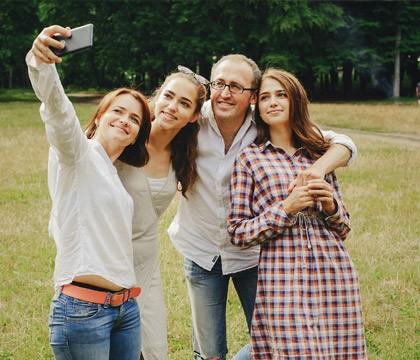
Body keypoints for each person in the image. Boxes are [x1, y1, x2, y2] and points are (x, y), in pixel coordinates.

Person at [168, 54, 358, 360]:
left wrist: (317, 171)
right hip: (201, 248)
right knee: (208, 351)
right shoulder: (193, 118)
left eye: (235, 86)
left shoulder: (264, 127)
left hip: (253, 256)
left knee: (274, 340)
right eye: (218, 83)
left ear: (251, 97)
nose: (224, 93)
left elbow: (344, 143)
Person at [27, 25, 151, 359]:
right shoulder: (76, 154)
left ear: (137, 136)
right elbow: (58, 112)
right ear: (99, 118)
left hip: (125, 311)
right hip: (83, 311)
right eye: (118, 111)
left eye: (135, 119)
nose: (125, 120)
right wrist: (41, 63)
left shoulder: (115, 176)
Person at [228, 68, 367, 359]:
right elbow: (238, 231)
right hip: (282, 277)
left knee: (338, 352)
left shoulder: (318, 154)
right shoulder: (250, 158)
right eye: (265, 97)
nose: (273, 102)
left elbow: (344, 229)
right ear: (257, 107)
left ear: (295, 100)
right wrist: (286, 208)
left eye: (281, 95)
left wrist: (330, 205)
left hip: (333, 272)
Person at [116, 66, 208, 360]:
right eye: (168, 96)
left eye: (184, 103)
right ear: (157, 97)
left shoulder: (184, 154)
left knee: (151, 349)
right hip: (107, 257)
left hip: (145, 264)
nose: (172, 107)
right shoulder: (125, 136)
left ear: (194, 115)